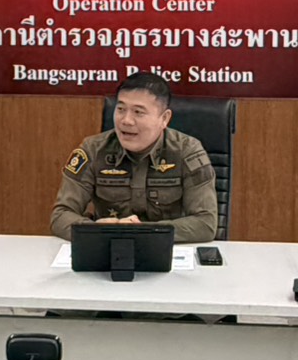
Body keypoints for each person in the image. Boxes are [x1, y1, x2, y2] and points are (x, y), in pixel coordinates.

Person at [50, 72, 218, 244]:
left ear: (164, 118)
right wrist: (97, 230)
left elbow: (205, 223)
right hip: (108, 249)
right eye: (121, 109)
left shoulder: (187, 151)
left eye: (138, 112)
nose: (126, 120)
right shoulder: (92, 150)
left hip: (168, 250)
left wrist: (140, 232)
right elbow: (61, 215)